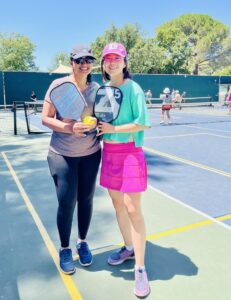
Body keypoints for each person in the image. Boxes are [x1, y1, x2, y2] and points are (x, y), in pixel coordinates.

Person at [97, 42, 151, 298]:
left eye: (116, 58)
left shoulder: (134, 89)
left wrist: (114, 130)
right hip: (109, 154)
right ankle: (128, 248)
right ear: (104, 64)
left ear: (125, 62)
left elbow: (143, 123)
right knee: (118, 205)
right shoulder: (104, 89)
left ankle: (140, 269)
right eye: (107, 58)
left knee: (133, 209)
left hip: (130, 154)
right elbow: (103, 120)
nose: (112, 62)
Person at [42, 45, 101, 275]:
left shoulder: (96, 88)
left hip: (91, 153)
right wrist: (69, 127)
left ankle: (82, 242)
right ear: (72, 63)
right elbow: (46, 119)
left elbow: (98, 117)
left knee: (86, 199)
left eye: (88, 60)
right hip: (62, 154)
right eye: (79, 60)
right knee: (67, 202)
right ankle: (65, 248)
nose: (84, 64)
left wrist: (95, 122)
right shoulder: (59, 86)